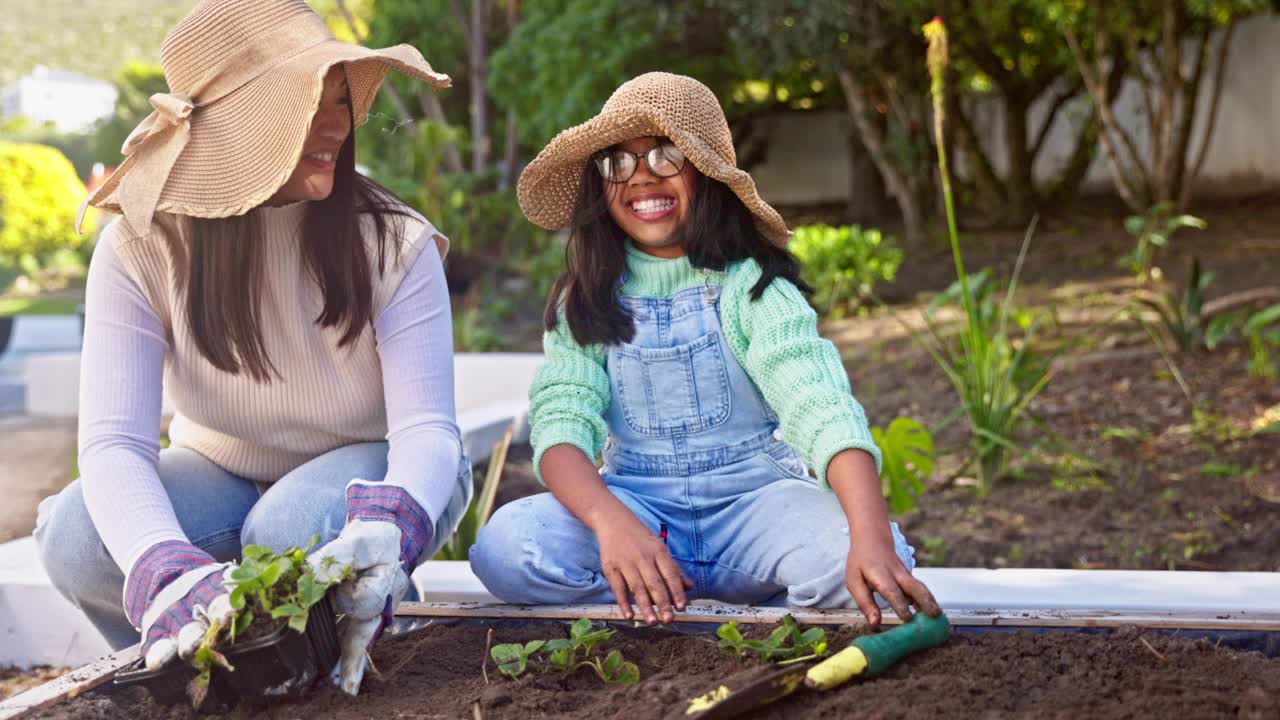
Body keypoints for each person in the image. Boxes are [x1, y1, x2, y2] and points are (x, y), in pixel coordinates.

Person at [34, 0, 469, 696]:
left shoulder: (391, 242)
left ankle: (328, 681)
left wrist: (395, 518)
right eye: (305, 104)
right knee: (75, 533)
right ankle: (193, 675)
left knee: (290, 529)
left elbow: (427, 431)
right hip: (222, 471)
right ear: (236, 133)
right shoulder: (143, 246)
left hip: (379, 472)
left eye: (339, 99)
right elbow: (115, 443)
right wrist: (166, 567)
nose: (337, 124)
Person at [470, 72, 941, 628]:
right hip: (638, 509)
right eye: (617, 162)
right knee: (507, 547)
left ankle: (685, 604)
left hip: (756, 507)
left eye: (666, 156)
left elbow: (821, 406)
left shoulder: (752, 288)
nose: (641, 177)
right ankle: (666, 591)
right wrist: (612, 523)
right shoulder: (587, 301)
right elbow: (560, 426)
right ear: (600, 185)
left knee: (863, 559)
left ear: (709, 174)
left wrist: (869, 538)